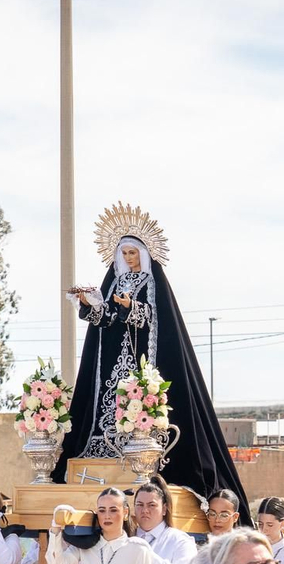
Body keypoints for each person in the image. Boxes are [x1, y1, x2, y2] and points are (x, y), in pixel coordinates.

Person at [51, 218, 249, 514]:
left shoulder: (151, 281)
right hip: (112, 360)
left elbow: (156, 320)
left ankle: (142, 447)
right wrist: (91, 304)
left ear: (143, 254)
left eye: (133, 253)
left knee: (136, 399)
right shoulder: (116, 281)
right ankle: (103, 444)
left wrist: (131, 308)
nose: (129, 259)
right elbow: (105, 321)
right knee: (108, 401)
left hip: (141, 359)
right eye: (125, 254)